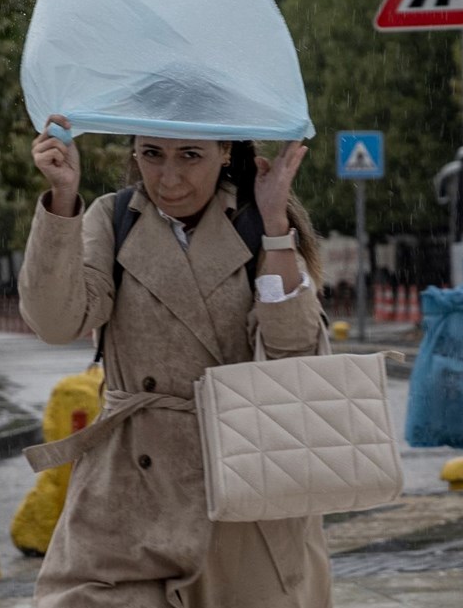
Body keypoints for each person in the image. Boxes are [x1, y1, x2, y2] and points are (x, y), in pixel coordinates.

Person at [18, 114, 331, 608]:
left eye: (190, 155)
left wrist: (274, 227)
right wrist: (61, 199)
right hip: (126, 497)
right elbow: (56, 322)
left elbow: (293, 355)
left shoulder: (257, 221)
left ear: (225, 152)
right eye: (152, 154)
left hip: (244, 485)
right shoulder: (112, 217)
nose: (168, 177)